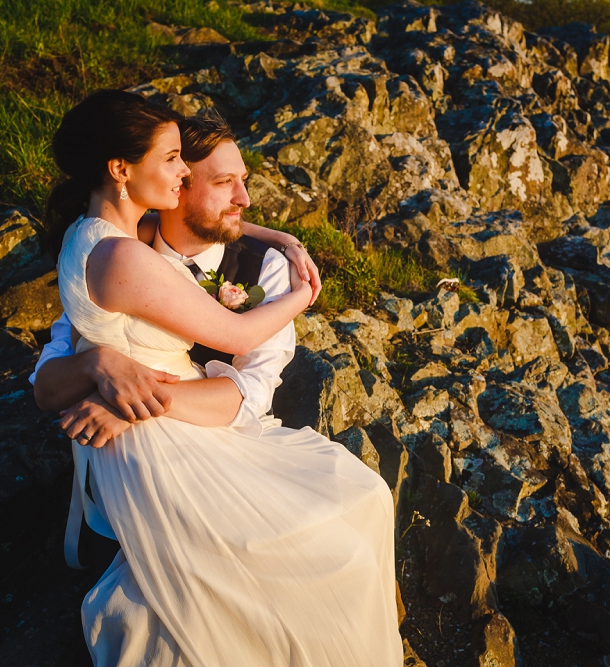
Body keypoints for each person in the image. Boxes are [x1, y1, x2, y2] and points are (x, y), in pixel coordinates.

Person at [35, 90, 403, 666]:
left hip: (167, 425)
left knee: (356, 498)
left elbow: (251, 387)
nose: (181, 173)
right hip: (152, 448)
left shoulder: (95, 236)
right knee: (287, 549)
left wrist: (277, 238)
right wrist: (307, 295)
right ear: (125, 171)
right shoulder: (129, 254)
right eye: (176, 162)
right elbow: (234, 339)